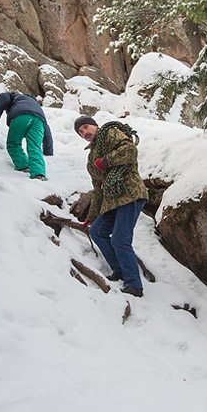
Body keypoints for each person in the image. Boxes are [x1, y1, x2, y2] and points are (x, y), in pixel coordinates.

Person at [74, 115, 148, 297]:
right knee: (97, 231)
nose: (85, 133)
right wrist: (91, 216)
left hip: (129, 193)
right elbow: (98, 190)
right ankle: (120, 270)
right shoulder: (91, 158)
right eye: (81, 132)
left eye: (86, 127)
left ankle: (134, 285)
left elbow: (129, 150)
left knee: (120, 240)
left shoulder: (110, 133)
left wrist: (105, 161)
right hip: (112, 200)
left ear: (95, 126)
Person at [0, 92, 54, 180]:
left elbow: (3, 98)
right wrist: (48, 150)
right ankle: (39, 173)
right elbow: (47, 130)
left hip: (21, 115)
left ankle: (23, 165)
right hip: (39, 120)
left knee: (13, 144)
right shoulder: (35, 104)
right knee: (35, 147)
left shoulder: (13, 96)